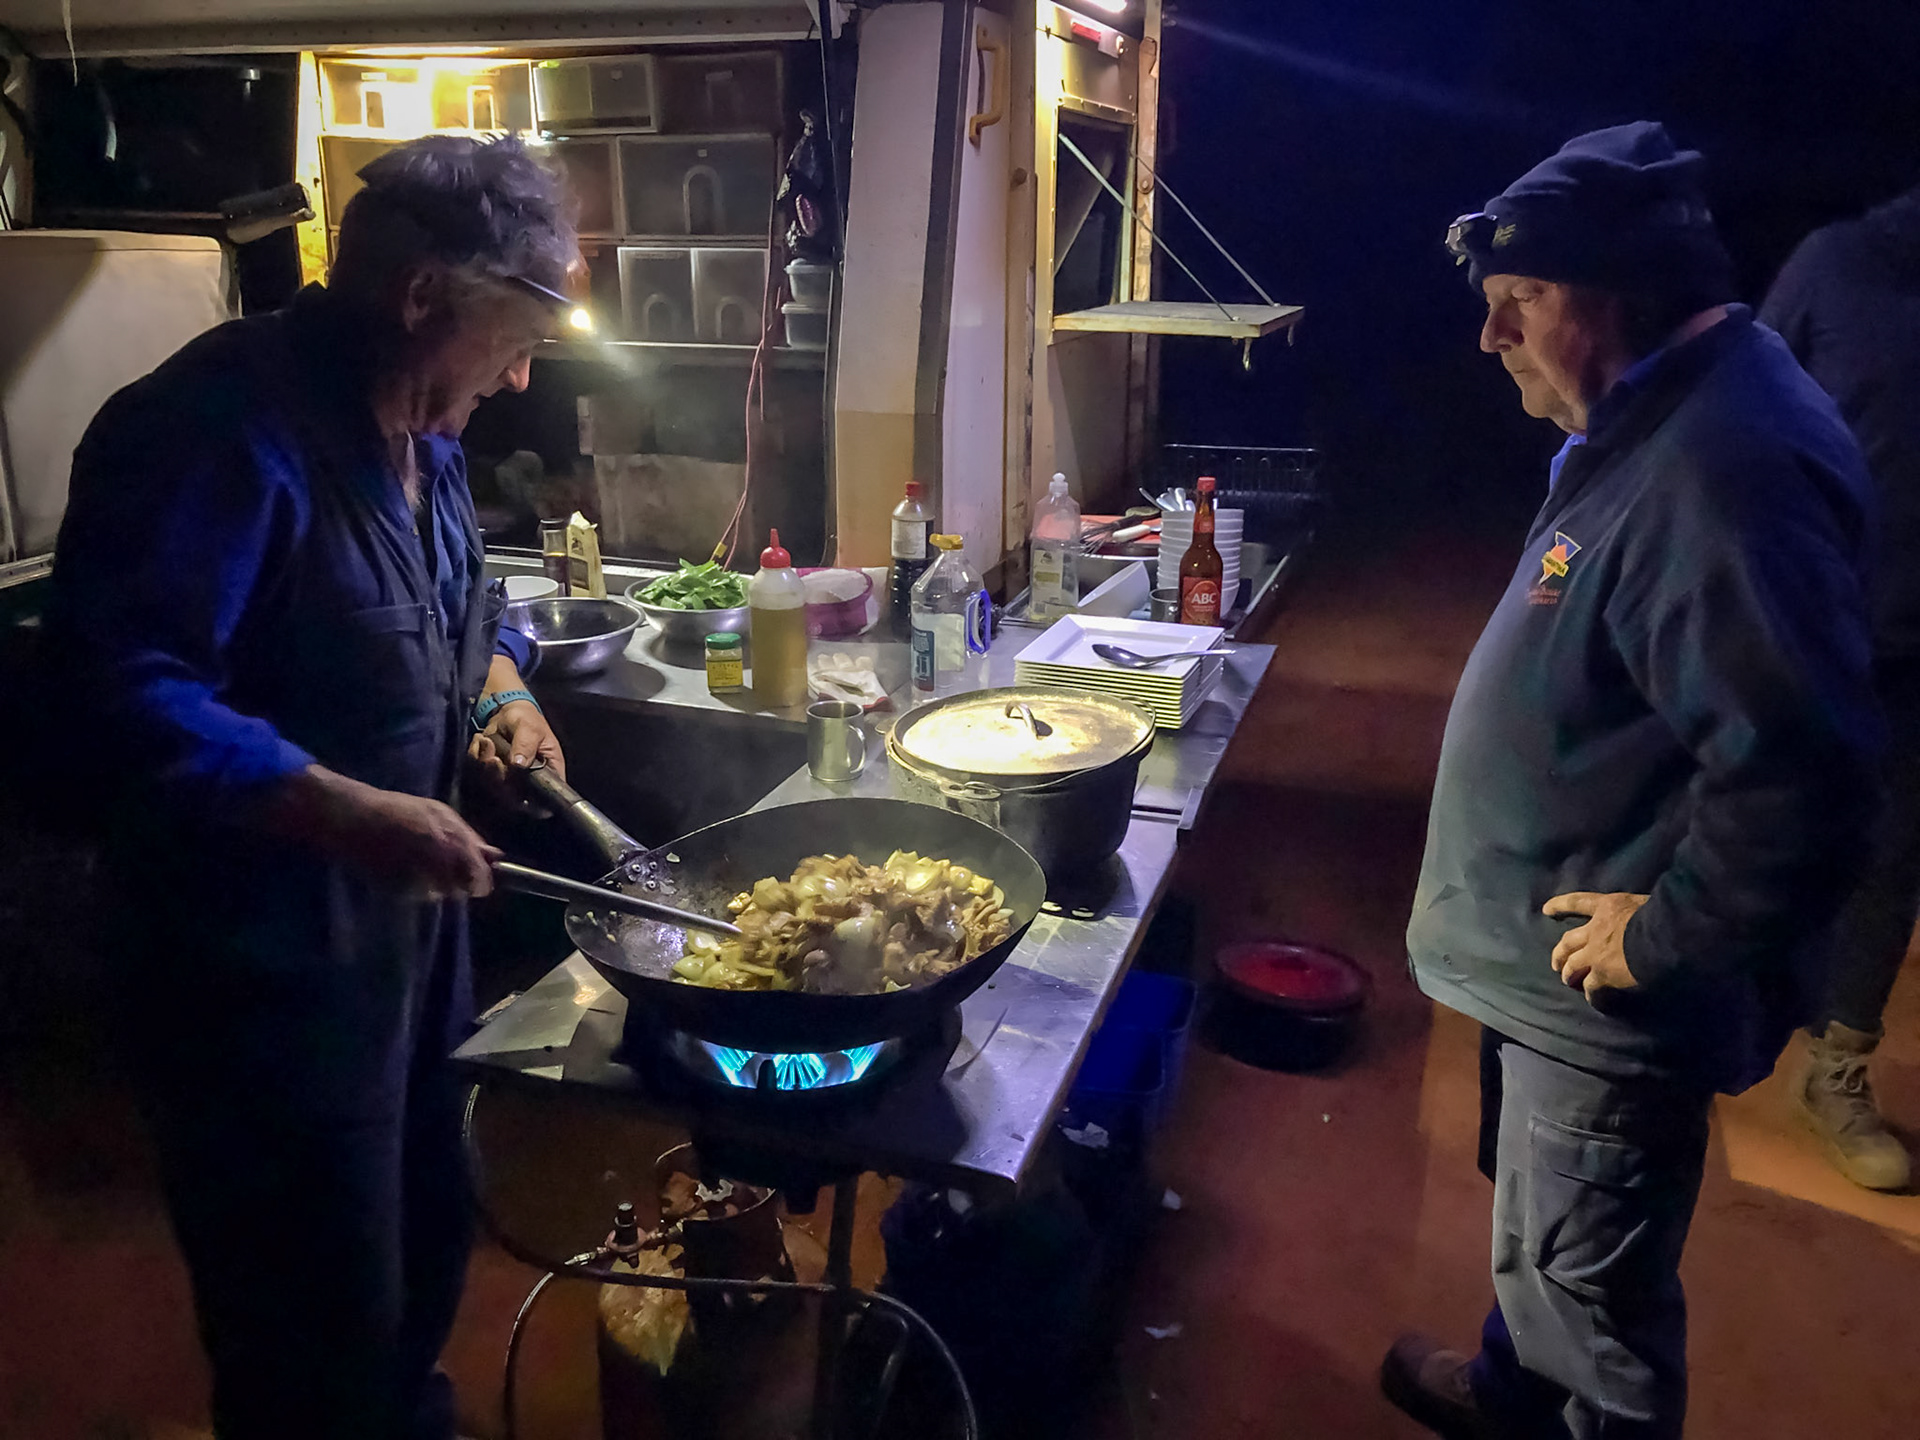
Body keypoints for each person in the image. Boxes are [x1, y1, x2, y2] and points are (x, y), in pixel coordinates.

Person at [43, 136, 577, 1439]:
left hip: (407, 953)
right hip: (262, 976)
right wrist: (340, 809)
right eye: (514, 341)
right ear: (422, 297)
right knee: (310, 1317)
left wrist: (501, 695)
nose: (519, 378)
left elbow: (459, 611)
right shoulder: (213, 432)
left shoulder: (424, 434)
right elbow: (119, 692)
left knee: (420, 1248)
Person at [1382, 123, 1882, 1440]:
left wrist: (1660, 938)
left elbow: (1810, 775)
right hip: (1554, 964)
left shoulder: (1724, 470)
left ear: (1629, 293)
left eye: (1524, 300)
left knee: (1592, 1310)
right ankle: (1511, 1394)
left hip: (1608, 1004)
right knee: (1544, 1245)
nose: (1490, 337)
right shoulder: (1661, 413)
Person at [1759, 185, 1920, 1192]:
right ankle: (1674, 1018)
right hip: (1804, 620)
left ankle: (1836, 1070)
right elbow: (1746, 406)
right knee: (1740, 814)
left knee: (1892, 861)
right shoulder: (1838, 263)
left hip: (1917, 647)